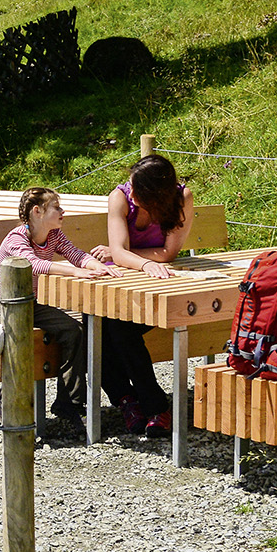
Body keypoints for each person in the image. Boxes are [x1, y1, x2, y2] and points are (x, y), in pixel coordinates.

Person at [0, 185, 115, 436]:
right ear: (37, 212)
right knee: (19, 338)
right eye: (57, 207)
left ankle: (69, 404)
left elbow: (75, 254)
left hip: (31, 303)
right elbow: (33, 264)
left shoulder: (54, 235)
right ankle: (10, 404)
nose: (63, 212)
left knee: (75, 331)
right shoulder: (17, 238)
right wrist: (75, 272)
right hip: (0, 305)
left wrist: (96, 266)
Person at [101, 153, 194, 435]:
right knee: (96, 321)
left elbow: (168, 253)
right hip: (124, 282)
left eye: (137, 190)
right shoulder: (119, 198)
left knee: (117, 327)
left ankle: (139, 402)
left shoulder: (182, 198)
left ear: (156, 194)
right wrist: (142, 262)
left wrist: (124, 254)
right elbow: (119, 253)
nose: (131, 193)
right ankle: (141, 403)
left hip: (158, 286)